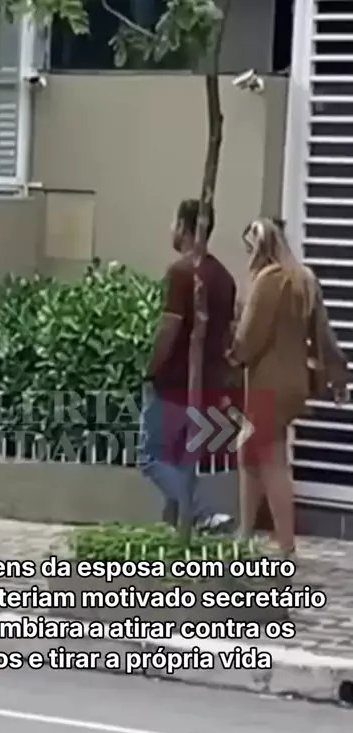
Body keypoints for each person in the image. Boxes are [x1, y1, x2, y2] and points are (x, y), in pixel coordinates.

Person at [230, 217, 348, 557]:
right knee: (250, 450)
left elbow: (250, 336)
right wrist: (338, 376)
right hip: (293, 382)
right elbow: (323, 334)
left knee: (270, 459)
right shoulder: (304, 279)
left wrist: (231, 355)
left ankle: (285, 543)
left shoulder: (269, 281)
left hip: (267, 384)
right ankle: (245, 531)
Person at [139, 198, 237, 532]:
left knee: (151, 457)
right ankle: (176, 534)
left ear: (184, 227)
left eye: (174, 222)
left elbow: (170, 326)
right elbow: (227, 335)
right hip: (207, 384)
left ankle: (200, 512)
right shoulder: (224, 278)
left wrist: (151, 368)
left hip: (175, 382)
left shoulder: (182, 272)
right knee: (181, 462)